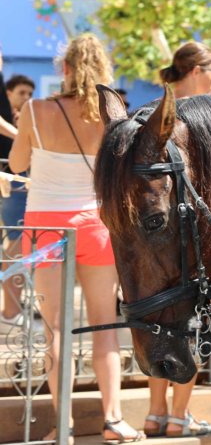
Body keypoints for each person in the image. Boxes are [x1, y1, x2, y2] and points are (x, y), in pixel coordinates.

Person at [8, 33, 144, 442]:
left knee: (56, 331)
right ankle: (114, 420)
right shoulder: (112, 114)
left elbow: (17, 164)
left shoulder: (35, 109)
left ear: (63, 68)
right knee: (104, 325)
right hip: (95, 225)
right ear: (102, 70)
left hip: (46, 228)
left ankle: (62, 425)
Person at [142, 41, 211, 438]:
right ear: (195, 70)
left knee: (158, 324)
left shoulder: (153, 113)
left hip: (156, 242)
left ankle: (155, 413)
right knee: (195, 326)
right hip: (197, 240)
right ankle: (178, 417)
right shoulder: (206, 117)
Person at [0, 72, 34, 326]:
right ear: (8, 93)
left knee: (19, 248)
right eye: (21, 92)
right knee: (16, 246)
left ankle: (13, 309)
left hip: (24, 183)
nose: (26, 98)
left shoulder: (29, 116)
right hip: (12, 184)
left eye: (30, 93)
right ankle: (10, 312)